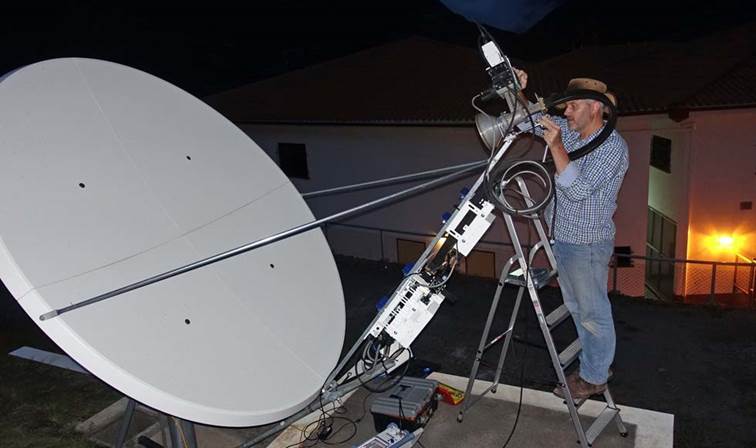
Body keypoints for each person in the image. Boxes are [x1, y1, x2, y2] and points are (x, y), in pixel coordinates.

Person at [515, 69, 630, 399]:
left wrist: (555, 146)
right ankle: (596, 364)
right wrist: (517, 91)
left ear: (595, 108)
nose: (565, 112)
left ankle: (594, 377)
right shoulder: (570, 130)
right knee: (579, 308)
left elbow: (577, 190)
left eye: (573, 106)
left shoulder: (612, 147)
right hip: (565, 239)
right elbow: (526, 122)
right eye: (566, 106)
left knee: (593, 313)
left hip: (587, 244)